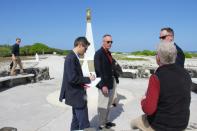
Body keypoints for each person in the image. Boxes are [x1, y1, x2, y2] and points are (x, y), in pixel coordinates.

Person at [131, 41, 191, 131]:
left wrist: (143, 101)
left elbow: (148, 109)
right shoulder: (185, 74)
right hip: (182, 123)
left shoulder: (156, 77)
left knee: (133, 123)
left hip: (161, 126)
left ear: (158, 58)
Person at [59, 37, 95, 131]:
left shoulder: (73, 56)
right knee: (84, 123)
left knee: (75, 121)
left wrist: (84, 82)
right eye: (85, 48)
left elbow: (73, 77)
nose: (86, 51)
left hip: (75, 94)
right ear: (80, 45)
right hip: (77, 96)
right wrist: (88, 79)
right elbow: (72, 78)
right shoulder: (71, 58)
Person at [94, 34, 118, 129]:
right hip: (104, 84)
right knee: (103, 105)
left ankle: (106, 121)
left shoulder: (109, 53)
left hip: (111, 82)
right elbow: (98, 70)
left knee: (108, 104)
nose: (110, 43)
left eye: (111, 42)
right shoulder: (98, 53)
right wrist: (103, 85)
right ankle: (101, 125)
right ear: (103, 42)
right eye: (108, 42)